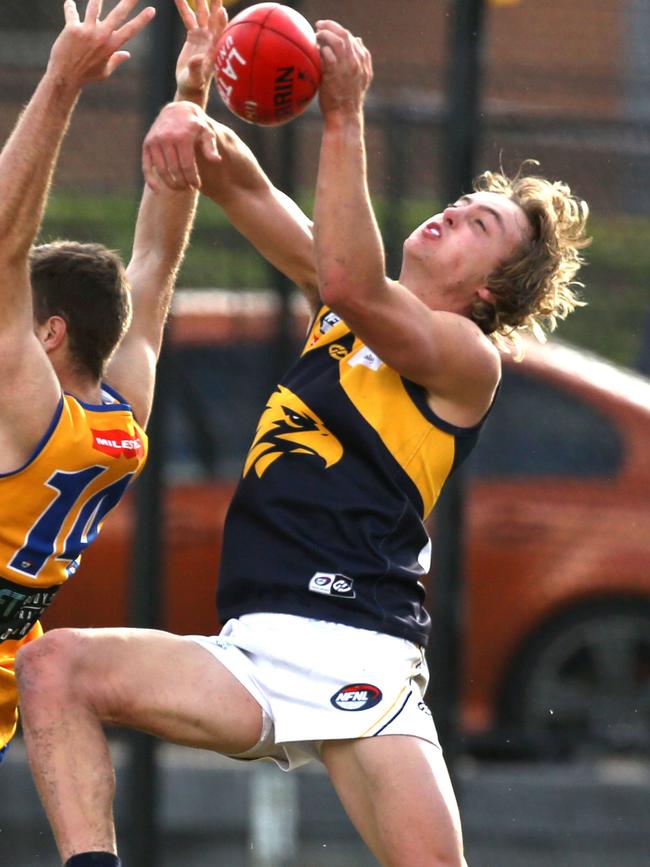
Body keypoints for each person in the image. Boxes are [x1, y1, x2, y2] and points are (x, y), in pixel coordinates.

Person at [16, 12, 590, 867]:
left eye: (480, 227)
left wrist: (344, 114)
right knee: (53, 667)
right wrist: (189, 99)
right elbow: (244, 189)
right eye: (463, 202)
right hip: (255, 649)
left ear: (488, 291)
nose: (453, 214)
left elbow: (352, 280)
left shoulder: (466, 359)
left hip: (363, 642)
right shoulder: (342, 313)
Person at [0, 0, 226, 771]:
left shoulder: (30, 412)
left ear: (50, 334)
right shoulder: (120, 419)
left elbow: (5, 237)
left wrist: (62, 79)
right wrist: (188, 99)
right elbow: (157, 259)